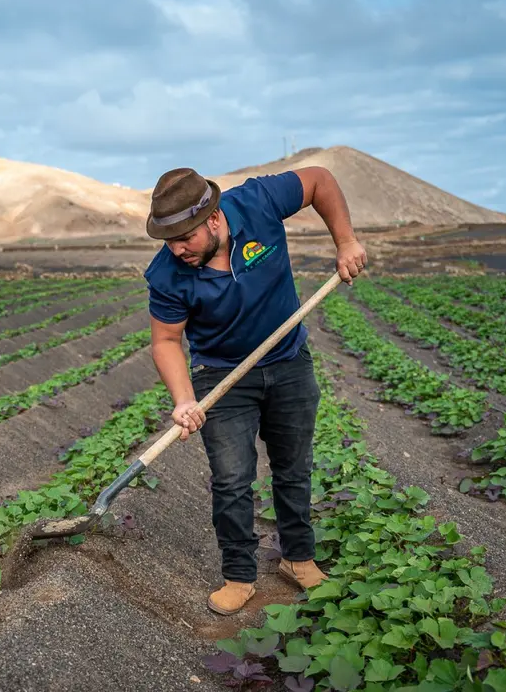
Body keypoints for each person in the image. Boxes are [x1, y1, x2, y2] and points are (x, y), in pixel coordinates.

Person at [141, 166, 366, 615]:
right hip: (220, 375)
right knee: (231, 479)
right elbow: (166, 342)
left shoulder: (258, 201)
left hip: (288, 361)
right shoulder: (167, 274)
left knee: (292, 466)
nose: (176, 249)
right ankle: (238, 575)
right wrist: (184, 399)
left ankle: (298, 559)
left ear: (214, 218)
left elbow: (320, 180)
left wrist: (345, 242)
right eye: (168, 240)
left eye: (184, 237)